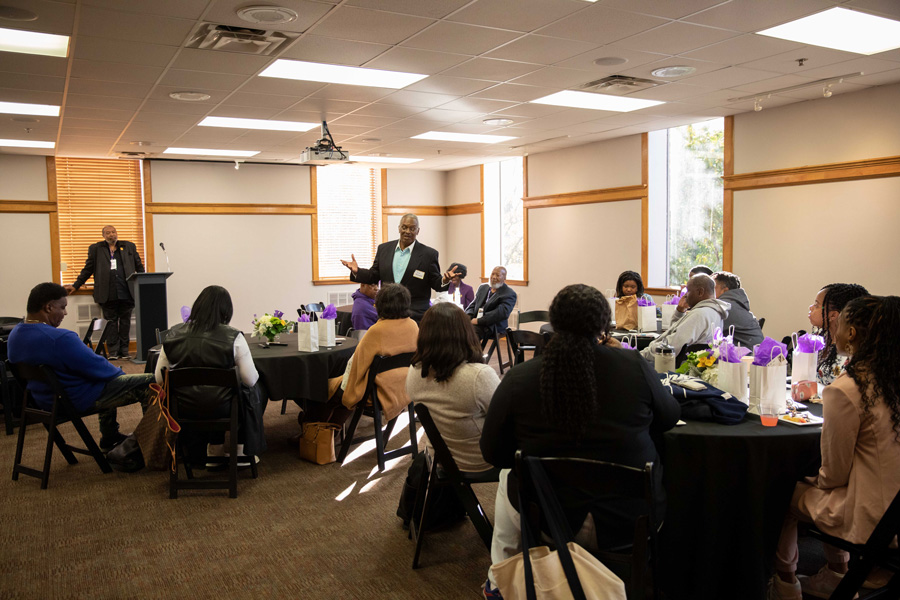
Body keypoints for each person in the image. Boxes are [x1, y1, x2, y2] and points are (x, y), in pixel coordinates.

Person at [479, 284, 681, 598]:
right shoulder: (634, 367)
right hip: (628, 519)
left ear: (553, 323)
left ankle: (502, 576)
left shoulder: (521, 377)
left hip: (546, 514)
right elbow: (669, 418)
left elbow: (492, 452)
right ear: (604, 325)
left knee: (511, 475)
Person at [769, 295, 900, 600]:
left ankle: (786, 584)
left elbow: (834, 475)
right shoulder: (891, 379)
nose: (834, 330)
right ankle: (836, 573)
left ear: (851, 333)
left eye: (838, 323)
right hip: (893, 506)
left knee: (784, 490)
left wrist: (811, 481)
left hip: (874, 517)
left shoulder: (847, 389)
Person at [7, 282, 153, 451]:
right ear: (48, 307)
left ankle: (110, 437)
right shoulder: (59, 338)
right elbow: (99, 367)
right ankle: (151, 444)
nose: (65, 312)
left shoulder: (15, 335)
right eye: (62, 307)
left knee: (103, 379)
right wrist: (120, 373)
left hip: (46, 400)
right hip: (76, 399)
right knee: (152, 382)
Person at [155, 285, 264, 466]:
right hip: (224, 409)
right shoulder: (234, 337)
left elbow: (159, 379)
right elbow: (250, 379)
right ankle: (241, 451)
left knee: (222, 393)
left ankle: (214, 450)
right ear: (226, 311)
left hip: (182, 409)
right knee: (251, 389)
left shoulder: (173, 334)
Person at [406, 302, 500, 473]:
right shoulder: (478, 376)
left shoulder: (415, 371)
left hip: (438, 456)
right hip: (478, 459)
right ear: (465, 332)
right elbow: (505, 419)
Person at [309, 284, 419, 428]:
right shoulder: (413, 326)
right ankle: (333, 427)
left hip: (376, 393)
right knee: (338, 388)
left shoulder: (377, 331)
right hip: (403, 389)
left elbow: (357, 367)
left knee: (318, 389)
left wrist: (347, 391)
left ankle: (313, 433)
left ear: (380, 305)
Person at [341, 213, 456, 321]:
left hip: (415, 316)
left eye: (412, 228)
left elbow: (436, 283)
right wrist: (357, 271)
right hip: (388, 314)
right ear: (399, 228)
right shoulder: (384, 249)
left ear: (418, 231)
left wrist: (445, 280)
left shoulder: (429, 254)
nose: (408, 231)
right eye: (404, 227)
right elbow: (373, 276)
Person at [65, 225, 145, 360]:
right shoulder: (96, 249)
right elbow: (88, 269)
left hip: (127, 292)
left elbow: (139, 267)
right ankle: (113, 352)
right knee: (111, 323)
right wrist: (76, 285)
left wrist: (143, 285)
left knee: (125, 322)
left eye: (113, 232)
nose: (111, 235)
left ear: (117, 233)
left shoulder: (129, 247)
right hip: (108, 292)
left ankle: (125, 351)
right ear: (103, 235)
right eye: (108, 233)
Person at [642, 274, 730, 362]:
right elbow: (675, 333)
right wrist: (680, 312)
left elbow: (669, 348)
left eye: (688, 291)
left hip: (672, 365)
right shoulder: (714, 311)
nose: (685, 295)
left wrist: (641, 354)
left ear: (700, 292)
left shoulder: (699, 314)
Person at [808, 283, 870, 387]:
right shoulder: (820, 336)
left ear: (833, 315)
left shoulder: (852, 350)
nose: (811, 307)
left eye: (817, 305)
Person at [465, 266, 517, 343]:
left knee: (471, 334)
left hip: (493, 325)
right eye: (492, 274)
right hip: (476, 322)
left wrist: (479, 321)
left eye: (498, 275)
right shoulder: (483, 287)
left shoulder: (509, 293)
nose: (494, 277)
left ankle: (472, 354)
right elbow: (473, 305)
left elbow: (501, 313)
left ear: (504, 277)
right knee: (456, 330)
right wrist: (467, 318)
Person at [712, 271, 764, 348]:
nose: (710, 291)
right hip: (754, 353)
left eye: (713, 288)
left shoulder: (726, 306)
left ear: (725, 291)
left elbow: (705, 331)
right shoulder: (736, 303)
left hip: (748, 357)